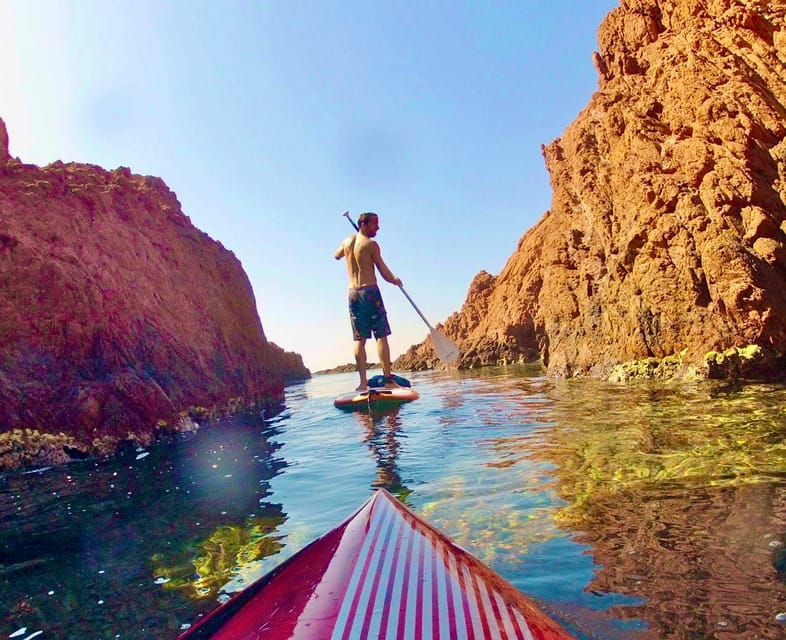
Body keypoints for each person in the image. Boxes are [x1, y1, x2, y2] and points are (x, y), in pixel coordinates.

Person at [334, 212, 402, 390]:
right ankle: (388, 379)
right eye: (374, 224)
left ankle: (363, 383)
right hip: (370, 293)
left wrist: (351, 245)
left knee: (360, 340)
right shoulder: (371, 245)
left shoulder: (347, 242)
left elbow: (336, 255)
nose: (378, 227)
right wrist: (395, 280)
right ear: (363, 224)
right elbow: (382, 269)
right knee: (381, 336)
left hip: (353, 295)